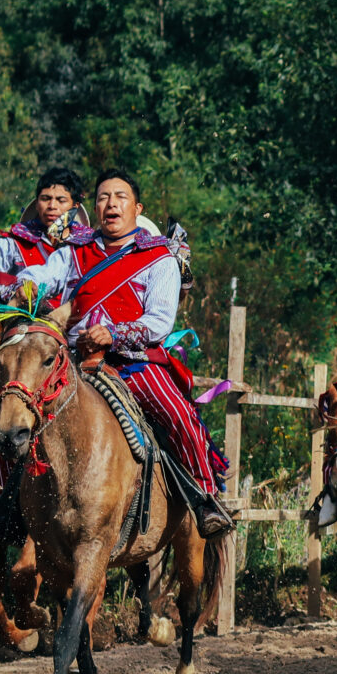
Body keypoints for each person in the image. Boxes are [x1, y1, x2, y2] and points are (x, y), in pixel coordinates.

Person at [13, 169, 233, 538]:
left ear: (137, 207)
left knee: (178, 413)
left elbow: (160, 321)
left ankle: (204, 496)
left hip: (133, 362)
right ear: (93, 207)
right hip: (73, 359)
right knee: (18, 406)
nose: (110, 203)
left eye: (120, 197)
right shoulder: (75, 249)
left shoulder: (159, 257)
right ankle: (11, 504)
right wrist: (28, 285)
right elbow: (45, 276)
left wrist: (113, 334)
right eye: (102, 197)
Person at [0, 168, 86, 495]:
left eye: (61, 199)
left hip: (73, 343)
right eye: (45, 198)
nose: (52, 206)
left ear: (75, 205)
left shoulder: (90, 248)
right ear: (36, 201)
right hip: (18, 346)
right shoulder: (13, 242)